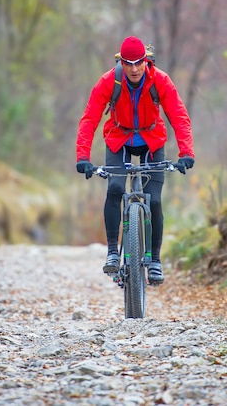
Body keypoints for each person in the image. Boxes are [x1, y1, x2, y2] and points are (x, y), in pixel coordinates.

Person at [75, 36, 195, 285]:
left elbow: (179, 115)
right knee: (116, 188)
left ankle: (155, 261)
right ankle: (111, 253)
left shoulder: (159, 80)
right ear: (121, 62)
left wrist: (186, 153)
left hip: (152, 140)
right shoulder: (110, 81)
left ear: (145, 61)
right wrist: (83, 156)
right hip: (119, 139)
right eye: (128, 64)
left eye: (138, 63)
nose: (133, 69)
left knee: (154, 200)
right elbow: (90, 118)